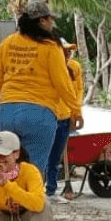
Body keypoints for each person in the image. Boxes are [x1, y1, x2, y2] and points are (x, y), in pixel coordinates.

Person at [0, 1, 79, 195]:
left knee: (7, 166)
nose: (52, 24)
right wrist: (76, 110)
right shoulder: (50, 46)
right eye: (50, 20)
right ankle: (29, 210)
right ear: (42, 21)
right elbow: (62, 83)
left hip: (6, 111)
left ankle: (6, 206)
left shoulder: (8, 42)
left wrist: (11, 94)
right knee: (35, 171)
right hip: (38, 114)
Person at [45, 39, 86, 203]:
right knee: (42, 156)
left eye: (69, 50)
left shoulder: (74, 67)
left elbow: (77, 91)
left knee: (55, 157)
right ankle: (36, 190)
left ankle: (50, 191)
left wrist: (76, 114)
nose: (67, 53)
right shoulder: (48, 67)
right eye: (64, 50)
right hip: (49, 117)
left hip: (66, 118)